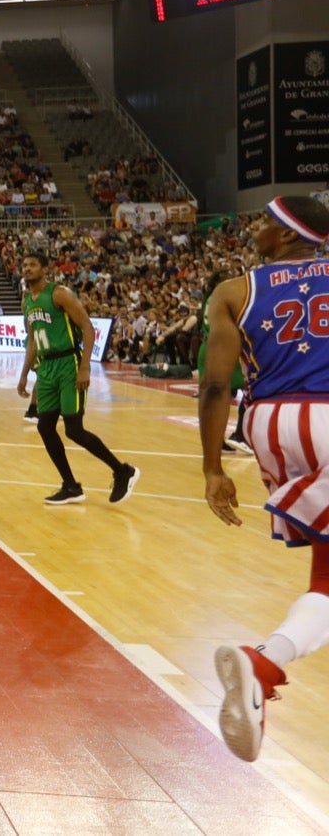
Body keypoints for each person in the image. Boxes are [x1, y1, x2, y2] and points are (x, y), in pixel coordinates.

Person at [199, 195, 329, 763]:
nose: (254, 228)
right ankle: (262, 664)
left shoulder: (234, 290)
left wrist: (212, 467)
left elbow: (214, 386)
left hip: (272, 424)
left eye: (262, 223)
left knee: (325, 578)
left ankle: (264, 670)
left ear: (284, 235)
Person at [16, 252, 139, 505]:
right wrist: (24, 373)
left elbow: (87, 327)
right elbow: (32, 341)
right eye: (24, 265)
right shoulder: (27, 301)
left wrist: (84, 368)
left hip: (69, 364)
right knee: (44, 426)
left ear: (44, 268)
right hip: (47, 368)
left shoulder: (59, 294)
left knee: (73, 429)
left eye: (33, 265)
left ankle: (122, 471)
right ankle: (70, 486)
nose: (27, 269)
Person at [196, 268, 252, 454]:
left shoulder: (209, 297)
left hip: (207, 346)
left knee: (215, 397)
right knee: (249, 388)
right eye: (231, 278)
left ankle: (216, 441)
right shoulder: (225, 297)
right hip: (223, 348)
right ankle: (240, 435)